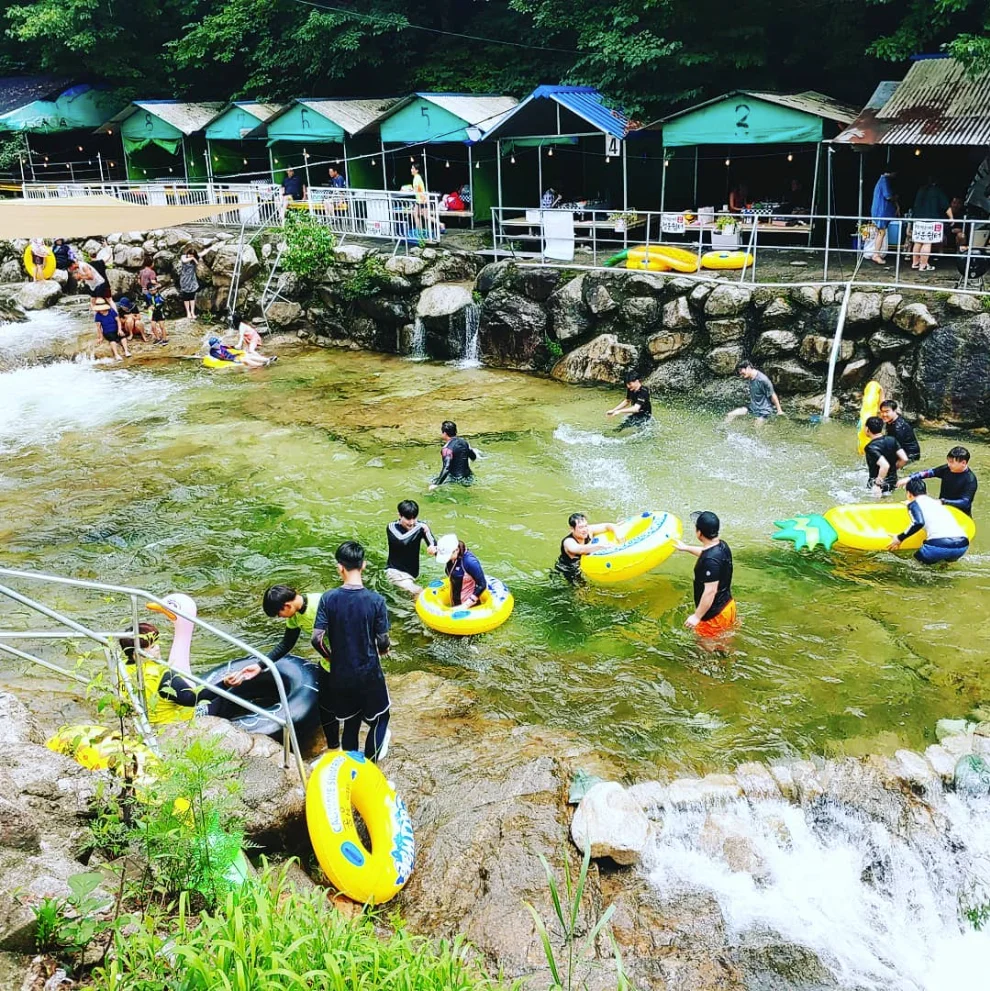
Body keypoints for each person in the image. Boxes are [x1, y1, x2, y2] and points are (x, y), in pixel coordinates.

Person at [311, 541, 391, 762]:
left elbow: (316, 638)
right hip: (368, 673)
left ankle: (350, 770)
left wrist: (331, 657)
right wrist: (383, 650)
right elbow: (383, 639)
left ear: (340, 567)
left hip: (341, 675)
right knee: (380, 719)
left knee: (350, 722)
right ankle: (370, 767)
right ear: (363, 565)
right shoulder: (376, 601)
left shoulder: (328, 598)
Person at [120, 623, 262, 725]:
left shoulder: (122, 669)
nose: (158, 648)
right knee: (228, 695)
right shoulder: (162, 674)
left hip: (149, 723)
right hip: (178, 722)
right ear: (137, 654)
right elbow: (191, 699)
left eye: (156, 643)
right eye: (152, 647)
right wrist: (225, 684)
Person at [674, 511, 736, 638]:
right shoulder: (722, 546)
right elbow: (707, 553)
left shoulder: (709, 562)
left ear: (699, 533)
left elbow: (710, 591)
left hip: (714, 616)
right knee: (724, 642)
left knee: (704, 645)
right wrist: (686, 548)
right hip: (728, 606)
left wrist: (697, 616)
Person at [888, 478, 970, 564]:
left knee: (914, 564)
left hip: (939, 546)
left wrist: (899, 538)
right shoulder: (936, 503)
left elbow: (918, 523)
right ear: (926, 492)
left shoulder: (914, 504)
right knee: (943, 565)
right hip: (962, 545)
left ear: (908, 494)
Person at [898, 446, 978, 515]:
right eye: (948, 461)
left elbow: (965, 503)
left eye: (952, 462)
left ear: (963, 463)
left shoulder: (970, 480)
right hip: (943, 509)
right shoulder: (947, 469)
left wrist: (942, 502)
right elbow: (930, 472)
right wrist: (910, 478)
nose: (949, 464)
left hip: (961, 515)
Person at [385, 499, 437, 596]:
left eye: (414, 518)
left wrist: (433, 548)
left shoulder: (420, 527)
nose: (412, 522)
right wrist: (419, 528)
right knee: (419, 591)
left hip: (413, 574)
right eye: (408, 519)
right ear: (399, 515)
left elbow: (434, 545)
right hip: (396, 572)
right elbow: (402, 541)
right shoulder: (392, 527)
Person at [262, 585, 323, 661]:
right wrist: (261, 664)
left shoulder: (320, 605)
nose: (280, 617)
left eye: (278, 614)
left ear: (287, 606)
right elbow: (287, 643)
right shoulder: (294, 616)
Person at [554, 513, 618, 583]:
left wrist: (618, 534)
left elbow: (607, 526)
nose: (585, 530)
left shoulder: (588, 531)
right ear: (572, 529)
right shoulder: (568, 542)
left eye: (586, 525)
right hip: (569, 569)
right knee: (583, 588)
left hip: (585, 564)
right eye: (581, 527)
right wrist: (603, 546)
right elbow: (581, 549)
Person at [436, 534, 486, 607]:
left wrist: (466, 605)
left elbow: (482, 584)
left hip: (469, 606)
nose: (447, 558)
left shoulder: (470, 562)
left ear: (456, 550)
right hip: (455, 601)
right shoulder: (452, 557)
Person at [911, 176, 950, 271]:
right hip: (931, 220)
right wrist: (951, 218)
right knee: (927, 242)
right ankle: (923, 265)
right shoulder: (937, 191)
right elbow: (946, 206)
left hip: (918, 219)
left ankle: (915, 263)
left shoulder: (920, 190)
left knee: (918, 242)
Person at [863, 416, 907, 496]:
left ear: (867, 429)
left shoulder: (870, 447)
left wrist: (877, 485)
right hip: (893, 481)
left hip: (878, 484)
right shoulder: (892, 440)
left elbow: (885, 465)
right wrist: (893, 469)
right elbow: (904, 459)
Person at [428, 420, 477, 490]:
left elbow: (446, 468)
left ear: (444, 433)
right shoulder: (464, 442)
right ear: (455, 431)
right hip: (469, 477)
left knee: (431, 481)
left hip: (456, 480)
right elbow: (473, 457)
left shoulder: (447, 449)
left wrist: (436, 484)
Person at [870, 171, 899, 265]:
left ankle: (877, 253)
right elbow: (888, 196)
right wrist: (895, 198)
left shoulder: (882, 180)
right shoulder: (884, 180)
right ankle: (876, 254)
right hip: (881, 212)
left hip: (880, 211)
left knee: (881, 233)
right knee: (881, 232)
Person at [207, 335, 272, 368]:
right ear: (214, 345)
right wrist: (233, 360)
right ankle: (261, 365)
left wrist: (235, 347)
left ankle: (267, 359)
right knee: (245, 360)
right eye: (218, 343)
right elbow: (221, 358)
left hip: (233, 356)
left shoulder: (221, 346)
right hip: (231, 359)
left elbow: (229, 347)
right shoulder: (213, 352)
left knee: (249, 356)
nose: (219, 343)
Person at [178, 249, 200, 320]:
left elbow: (198, 263)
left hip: (192, 280)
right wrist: (193, 258)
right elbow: (184, 261)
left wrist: (194, 258)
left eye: (192, 255)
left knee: (192, 297)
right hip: (184, 280)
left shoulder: (194, 259)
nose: (190, 256)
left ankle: (192, 312)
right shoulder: (183, 257)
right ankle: (188, 312)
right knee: (186, 297)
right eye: (189, 254)